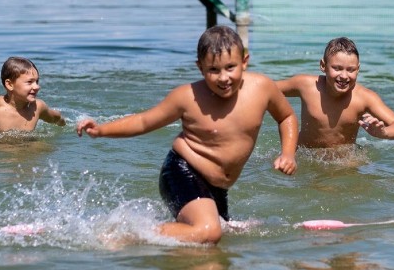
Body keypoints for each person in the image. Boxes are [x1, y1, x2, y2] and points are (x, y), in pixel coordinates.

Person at [76, 25, 298, 245]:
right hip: (183, 172)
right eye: (213, 70)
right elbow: (144, 121)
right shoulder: (187, 97)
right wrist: (102, 129)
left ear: (244, 61)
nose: (223, 78)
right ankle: (128, 234)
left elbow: (286, 117)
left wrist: (287, 153)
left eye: (230, 67)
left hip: (218, 187)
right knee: (209, 232)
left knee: (214, 247)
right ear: (200, 68)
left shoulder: (262, 88)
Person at [277, 37, 394, 148]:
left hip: (343, 161)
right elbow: (267, 88)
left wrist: (383, 133)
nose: (344, 76)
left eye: (350, 70)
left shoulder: (364, 97)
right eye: (337, 68)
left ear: (358, 69)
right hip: (304, 155)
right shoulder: (305, 86)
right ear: (323, 66)